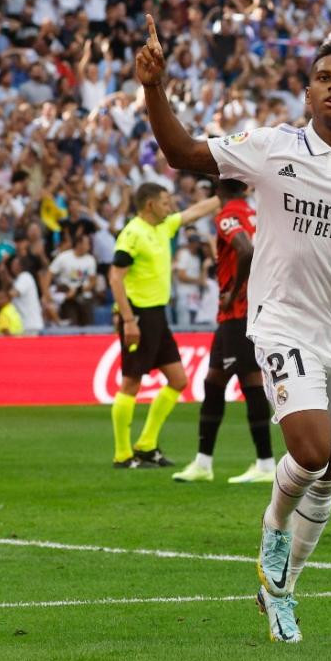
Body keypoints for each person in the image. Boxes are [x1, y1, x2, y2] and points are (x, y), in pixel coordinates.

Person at [136, 20, 331, 643]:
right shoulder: (272, 147)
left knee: (329, 473)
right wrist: (155, 90)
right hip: (281, 322)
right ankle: (273, 531)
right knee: (306, 450)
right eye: (323, 78)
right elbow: (183, 153)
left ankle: (281, 590)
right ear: (307, 93)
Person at [108, 182, 219, 469]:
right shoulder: (132, 234)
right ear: (149, 204)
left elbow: (196, 211)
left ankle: (146, 445)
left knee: (178, 380)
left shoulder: (164, 227)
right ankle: (122, 454)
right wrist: (128, 319)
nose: (170, 206)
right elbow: (115, 278)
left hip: (158, 315)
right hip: (139, 316)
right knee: (131, 382)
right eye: (165, 201)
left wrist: (233, 192)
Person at [172, 178, 277, 485]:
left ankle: (266, 463)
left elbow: (245, 251)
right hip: (237, 313)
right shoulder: (253, 211)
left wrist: (233, 290)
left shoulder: (228, 215)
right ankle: (203, 463)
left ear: (218, 190)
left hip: (239, 313)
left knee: (251, 381)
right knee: (214, 381)